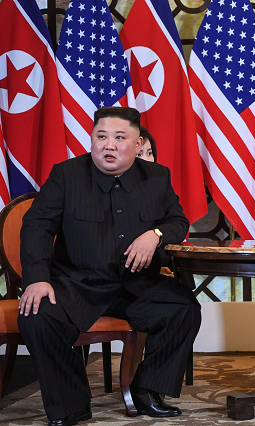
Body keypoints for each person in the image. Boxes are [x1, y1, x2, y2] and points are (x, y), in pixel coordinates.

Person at [18, 107, 201, 426]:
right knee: (37, 316)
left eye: (120, 137)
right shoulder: (66, 174)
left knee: (184, 309)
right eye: (101, 136)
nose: (109, 145)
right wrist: (36, 278)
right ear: (92, 139)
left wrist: (154, 235)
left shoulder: (157, 177)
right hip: (77, 285)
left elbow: (177, 221)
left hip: (135, 286)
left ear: (136, 141)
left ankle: (146, 390)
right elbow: (36, 226)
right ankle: (71, 403)